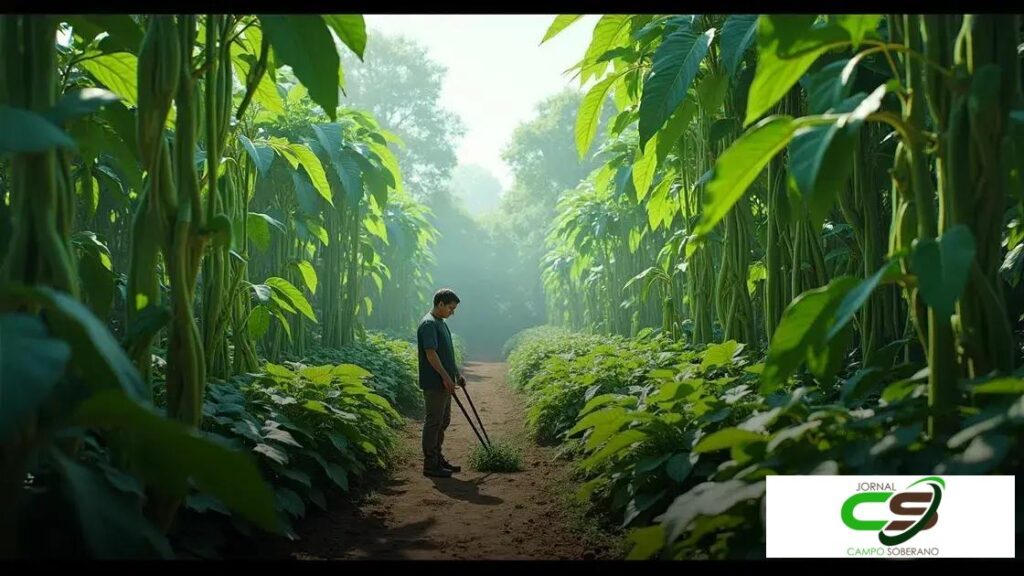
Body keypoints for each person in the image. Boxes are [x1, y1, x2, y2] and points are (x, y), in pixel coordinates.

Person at [417, 288, 465, 477]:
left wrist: (456, 375)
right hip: (434, 383)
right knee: (434, 423)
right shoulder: (428, 324)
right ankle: (430, 465)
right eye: (450, 308)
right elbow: (431, 354)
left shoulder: (441, 323)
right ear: (440, 304)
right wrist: (446, 377)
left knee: (443, 421)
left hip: (445, 381)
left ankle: (438, 459)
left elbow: (447, 354)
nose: (452, 312)